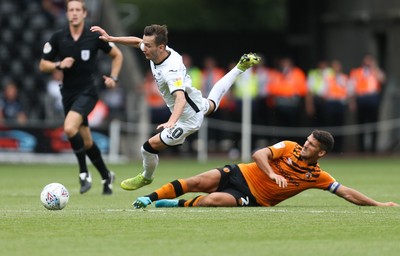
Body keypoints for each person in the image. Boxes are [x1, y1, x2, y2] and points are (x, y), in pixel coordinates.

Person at [90, 24, 261, 191]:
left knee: (147, 148)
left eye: (148, 46)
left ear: (161, 47)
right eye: (145, 44)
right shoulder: (156, 50)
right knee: (212, 103)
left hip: (187, 119)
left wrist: (172, 121)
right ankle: (240, 67)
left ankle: (146, 177)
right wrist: (111, 38)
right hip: (195, 100)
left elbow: (179, 98)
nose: (144, 48)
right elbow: (137, 42)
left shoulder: (170, 70)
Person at [132, 130, 399, 208]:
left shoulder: (317, 176)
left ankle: (175, 206)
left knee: (213, 200)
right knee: (197, 180)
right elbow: (259, 153)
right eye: (307, 141)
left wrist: (378, 205)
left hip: (254, 198)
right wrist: (271, 173)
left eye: (311, 145)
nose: (305, 146)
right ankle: (150, 198)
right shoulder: (289, 146)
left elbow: (347, 193)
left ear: (322, 153)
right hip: (241, 172)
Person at [39, 0, 123, 195]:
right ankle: (106, 175)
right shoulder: (59, 37)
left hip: (88, 92)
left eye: (78, 10)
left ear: (84, 14)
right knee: (86, 142)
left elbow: (117, 55)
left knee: (69, 128)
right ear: (67, 14)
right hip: (68, 93)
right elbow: (43, 65)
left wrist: (114, 78)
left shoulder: (93, 36)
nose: (74, 13)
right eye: (71, 10)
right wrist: (59, 64)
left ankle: (84, 173)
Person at [349, 53, 386, 152]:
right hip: (361, 99)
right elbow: (352, 88)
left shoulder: (375, 71)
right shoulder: (357, 72)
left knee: (374, 124)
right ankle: (361, 149)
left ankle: (373, 149)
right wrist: (352, 102)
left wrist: (374, 68)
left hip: (373, 99)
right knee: (361, 124)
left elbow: (382, 79)